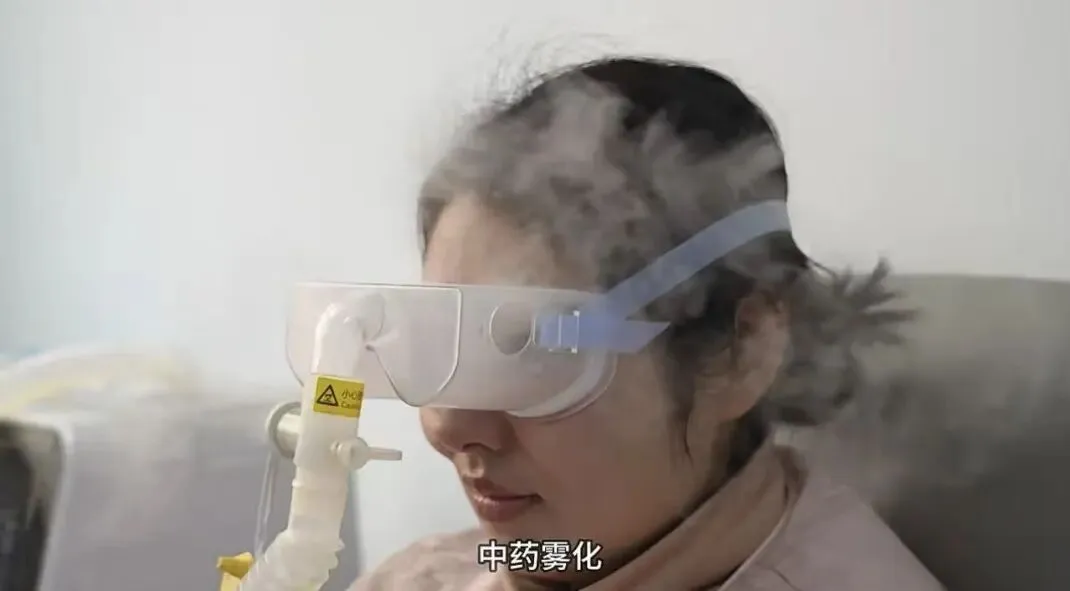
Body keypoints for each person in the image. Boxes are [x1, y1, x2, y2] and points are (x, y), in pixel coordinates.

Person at [351, 56, 943, 590]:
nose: (449, 427)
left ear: (742, 351)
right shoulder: (447, 571)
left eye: (529, 347)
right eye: (443, 339)